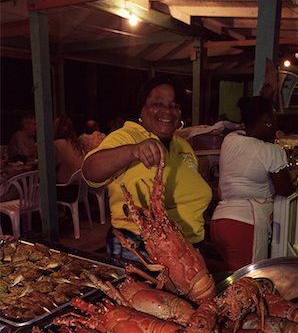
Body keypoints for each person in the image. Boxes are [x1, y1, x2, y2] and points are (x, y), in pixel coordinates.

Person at [82, 74, 212, 260]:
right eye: (157, 104)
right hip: (142, 250)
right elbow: (90, 171)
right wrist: (133, 151)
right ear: (142, 110)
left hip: (190, 251)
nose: (167, 111)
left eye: (174, 105)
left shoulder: (183, 146)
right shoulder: (127, 136)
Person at [210, 96, 295, 272]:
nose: (276, 121)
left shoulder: (231, 140)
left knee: (232, 279)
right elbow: (285, 189)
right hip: (245, 224)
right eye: (273, 117)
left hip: (220, 221)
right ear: (267, 120)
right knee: (250, 282)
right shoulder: (270, 151)